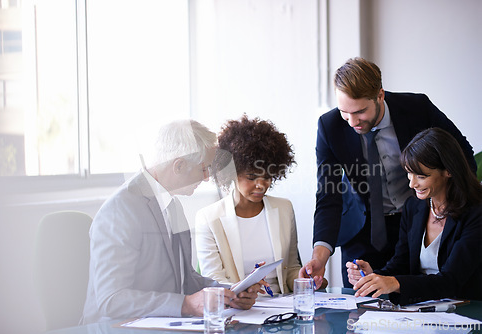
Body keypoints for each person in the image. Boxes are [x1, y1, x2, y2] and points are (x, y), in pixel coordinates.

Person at [300, 57, 477, 287]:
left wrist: (452, 214)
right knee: (362, 308)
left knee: (418, 297)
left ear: (380, 96)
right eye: (345, 112)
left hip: (417, 223)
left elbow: (461, 156)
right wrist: (319, 256)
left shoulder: (417, 109)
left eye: (360, 111)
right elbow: (328, 194)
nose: (352, 122)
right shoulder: (330, 126)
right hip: (362, 231)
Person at [81, 120, 262, 324]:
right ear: (179, 165)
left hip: (159, 323)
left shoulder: (172, 205)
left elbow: (186, 277)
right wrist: (185, 304)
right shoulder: (120, 210)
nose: (206, 178)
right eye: (204, 169)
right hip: (116, 327)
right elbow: (111, 299)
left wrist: (230, 293)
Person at [347, 128, 482, 305]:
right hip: (425, 310)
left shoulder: (476, 212)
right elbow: (401, 263)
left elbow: (452, 279)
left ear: (448, 171)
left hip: (468, 311)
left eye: (421, 176)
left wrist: (395, 283)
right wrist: (374, 275)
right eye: (409, 173)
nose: (412, 183)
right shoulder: (414, 207)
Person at [195, 115, 316, 294]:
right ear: (231, 173)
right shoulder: (209, 218)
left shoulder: (284, 209)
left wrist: (304, 280)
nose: (261, 185)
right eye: (251, 177)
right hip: (237, 309)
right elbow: (213, 281)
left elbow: (290, 268)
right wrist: (242, 294)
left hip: (281, 308)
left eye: (267, 177)